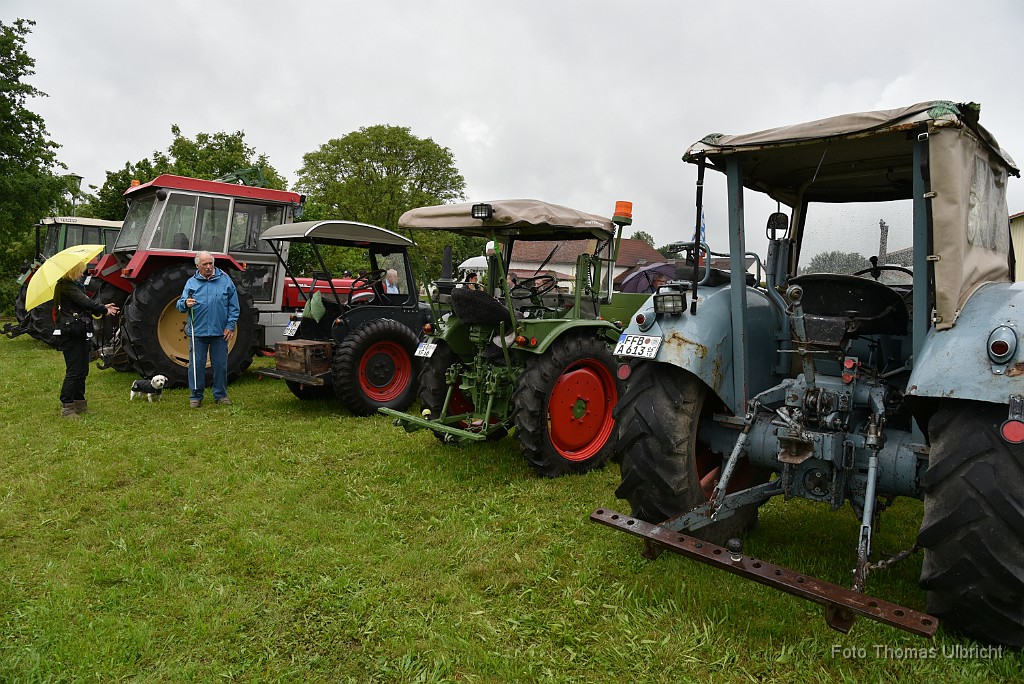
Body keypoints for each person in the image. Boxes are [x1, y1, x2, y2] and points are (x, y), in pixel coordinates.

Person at [55, 262, 119, 418]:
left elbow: (84, 305)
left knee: (82, 369)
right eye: (80, 271)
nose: (82, 274)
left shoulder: (74, 286)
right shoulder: (66, 286)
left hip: (80, 331)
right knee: (74, 370)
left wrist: (102, 307)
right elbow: (85, 302)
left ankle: (79, 403)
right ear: (72, 271)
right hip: (71, 334)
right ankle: (67, 406)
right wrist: (103, 309)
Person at [177, 251, 239, 408]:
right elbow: (180, 305)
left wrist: (230, 326)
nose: (209, 266)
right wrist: (185, 304)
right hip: (197, 332)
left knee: (220, 365)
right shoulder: (191, 283)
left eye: (211, 263)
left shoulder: (225, 281)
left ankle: (220, 395)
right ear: (197, 265)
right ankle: (196, 396)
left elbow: (234, 306)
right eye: (205, 264)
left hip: (220, 333)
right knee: (196, 366)